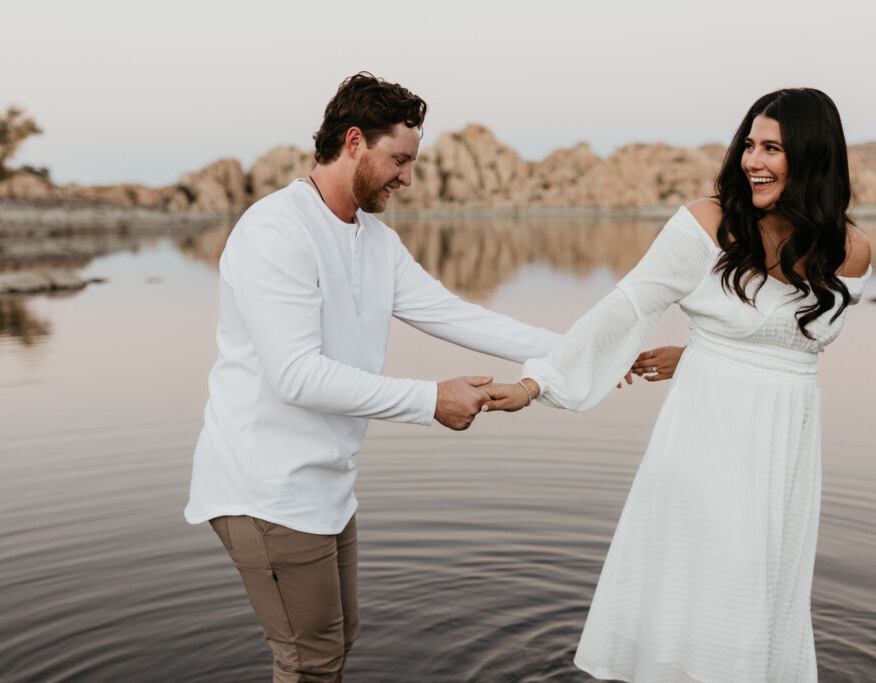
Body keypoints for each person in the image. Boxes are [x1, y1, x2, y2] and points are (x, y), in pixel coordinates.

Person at [184, 72, 581, 682]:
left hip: (325, 484)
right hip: (266, 488)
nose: (408, 177)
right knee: (310, 662)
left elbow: (457, 315)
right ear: (353, 143)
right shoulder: (275, 230)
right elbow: (296, 375)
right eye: (399, 160)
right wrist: (430, 400)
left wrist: (584, 351)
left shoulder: (375, 240)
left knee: (336, 647)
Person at [484, 88, 872, 682]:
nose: (752, 161)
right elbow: (628, 306)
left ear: (814, 158)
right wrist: (539, 383)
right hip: (704, 438)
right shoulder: (707, 223)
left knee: (762, 589)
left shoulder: (850, 252)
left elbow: (784, 349)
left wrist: (695, 353)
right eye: (749, 144)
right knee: (713, 583)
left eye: (772, 148)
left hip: (784, 454)